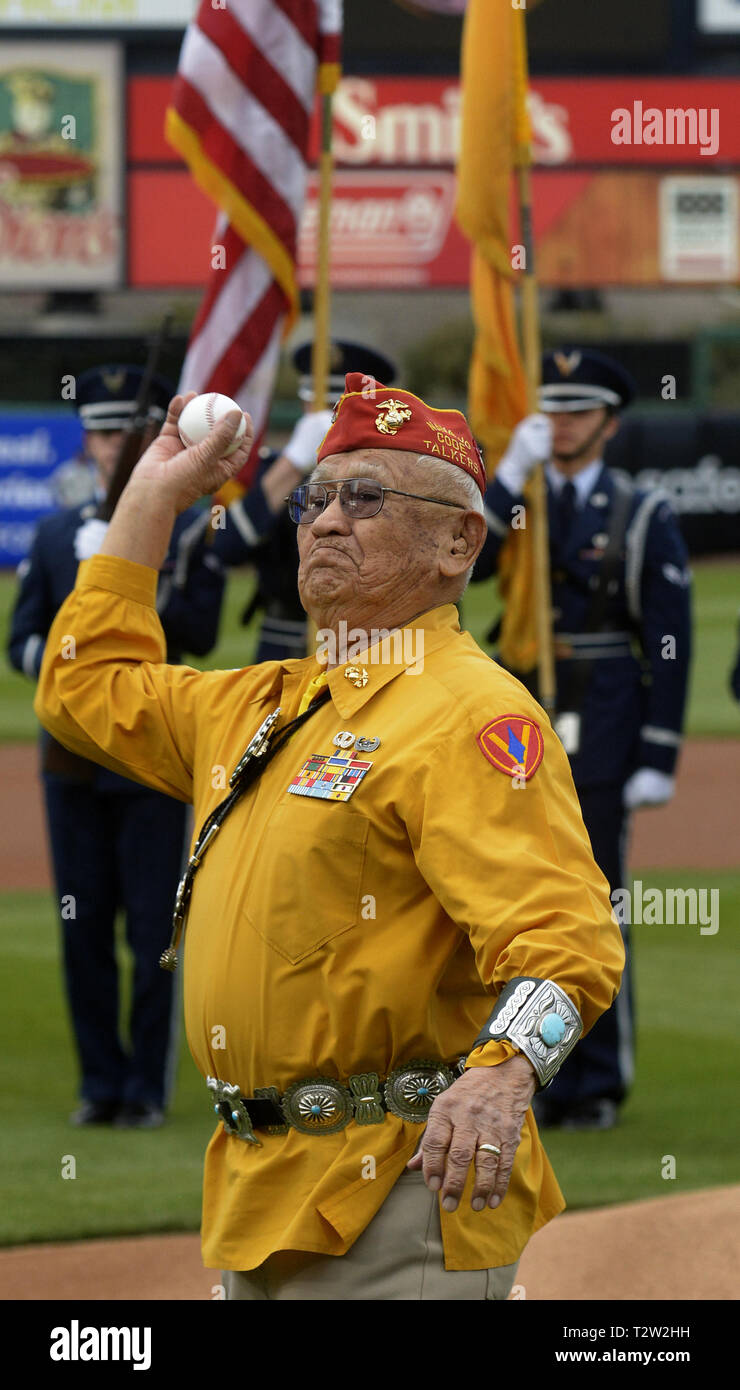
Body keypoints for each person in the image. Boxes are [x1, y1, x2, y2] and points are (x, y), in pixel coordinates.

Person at [35, 375, 623, 1300]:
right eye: (316, 496)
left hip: (398, 1198)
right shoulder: (265, 703)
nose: (325, 522)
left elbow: (569, 941)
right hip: (260, 1197)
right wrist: (152, 495)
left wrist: (505, 1074)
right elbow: (83, 687)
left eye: (367, 498)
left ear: (458, 542)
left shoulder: (469, 716)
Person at [475, 348, 692, 1131]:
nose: (561, 424)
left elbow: (669, 637)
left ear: (609, 422)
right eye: (553, 410)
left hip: (600, 720)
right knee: (513, 902)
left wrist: (659, 751)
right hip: (516, 720)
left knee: (595, 906)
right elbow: (464, 568)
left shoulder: (640, 512)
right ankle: (523, 1069)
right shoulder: (518, 498)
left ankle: (594, 1079)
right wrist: (504, 480)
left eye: (577, 411)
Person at [8, 364, 226, 1129]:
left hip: (150, 753)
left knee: (152, 926)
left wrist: (143, 569)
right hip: (72, 761)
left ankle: (145, 1089)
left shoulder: (191, 532)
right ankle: (99, 1083)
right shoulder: (55, 533)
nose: (108, 448)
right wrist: (72, 667)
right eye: (98, 433)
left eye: (120, 433)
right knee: (83, 924)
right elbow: (23, 640)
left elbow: (197, 632)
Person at [212, 339, 396, 661]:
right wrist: (294, 463)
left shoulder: (396, 474)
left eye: (342, 411)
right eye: (318, 406)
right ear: (303, 407)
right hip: (284, 643)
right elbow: (226, 546)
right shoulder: (274, 469)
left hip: (371, 644)